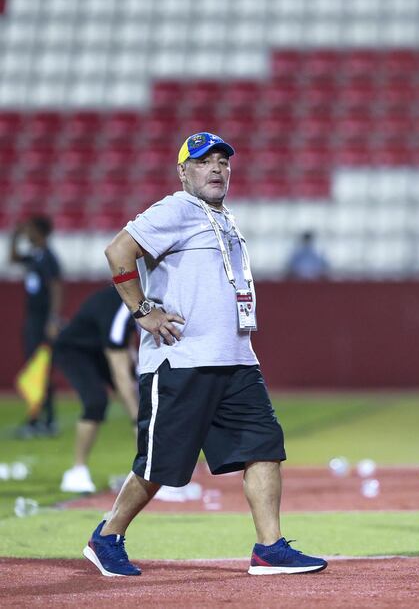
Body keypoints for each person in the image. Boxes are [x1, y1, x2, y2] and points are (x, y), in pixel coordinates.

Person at [83, 132, 327, 577]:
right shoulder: (176, 209)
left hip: (236, 360)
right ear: (183, 172)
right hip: (182, 360)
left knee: (264, 448)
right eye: (203, 162)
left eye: (222, 162)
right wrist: (144, 310)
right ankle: (107, 536)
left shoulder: (225, 217)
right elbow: (118, 250)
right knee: (161, 465)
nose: (216, 168)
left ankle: (269, 548)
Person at [57, 285, 139, 494]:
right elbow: (120, 372)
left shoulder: (135, 299)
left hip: (101, 349)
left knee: (142, 397)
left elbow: (126, 347)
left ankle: (146, 473)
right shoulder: (121, 306)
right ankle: (77, 470)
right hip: (75, 350)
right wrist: (136, 418)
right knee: (96, 402)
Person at [10, 215, 62, 437]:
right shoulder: (35, 255)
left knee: (41, 369)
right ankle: (35, 418)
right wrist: (15, 235)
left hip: (42, 321)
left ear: (40, 232)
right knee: (35, 369)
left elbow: (56, 287)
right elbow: (12, 259)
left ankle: (46, 420)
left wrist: (53, 318)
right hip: (32, 319)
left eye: (30, 229)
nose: (27, 233)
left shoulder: (49, 257)